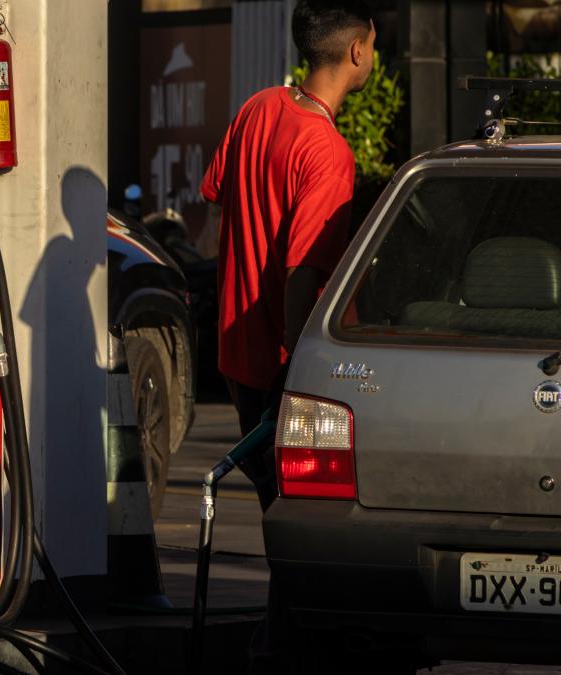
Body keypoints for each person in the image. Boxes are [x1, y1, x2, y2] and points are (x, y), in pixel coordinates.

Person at [200, 1, 375, 672]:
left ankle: (281, 649)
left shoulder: (257, 109)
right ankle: (278, 653)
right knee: (307, 531)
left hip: (238, 360)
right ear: (360, 49)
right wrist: (310, 372)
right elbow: (303, 274)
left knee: (287, 524)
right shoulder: (327, 153)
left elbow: (216, 193)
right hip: (282, 368)